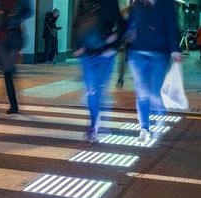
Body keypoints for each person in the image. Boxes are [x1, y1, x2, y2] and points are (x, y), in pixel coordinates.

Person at [127, 0, 182, 144]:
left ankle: (157, 114)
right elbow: (128, 26)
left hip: (160, 53)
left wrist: (175, 49)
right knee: (142, 91)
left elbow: (172, 26)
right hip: (136, 52)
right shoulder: (137, 4)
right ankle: (144, 128)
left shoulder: (167, 4)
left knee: (154, 91)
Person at [72, 0, 127, 142]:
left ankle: (96, 124)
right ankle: (94, 124)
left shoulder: (110, 3)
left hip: (104, 55)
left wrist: (113, 46)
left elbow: (122, 26)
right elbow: (77, 22)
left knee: (98, 89)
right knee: (91, 90)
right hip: (86, 53)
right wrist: (77, 46)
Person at [0, 0, 32, 114]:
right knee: (8, 71)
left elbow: (29, 12)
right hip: (2, 37)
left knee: (8, 70)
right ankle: (12, 103)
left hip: (14, 36)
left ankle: (13, 104)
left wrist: (14, 18)